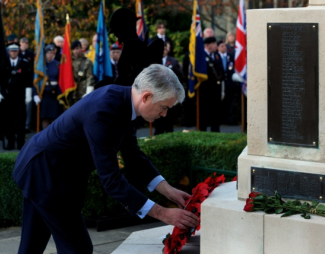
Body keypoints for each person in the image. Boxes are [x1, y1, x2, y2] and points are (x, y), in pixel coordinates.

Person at [12, 64, 199, 253]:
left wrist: (169, 192)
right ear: (147, 96)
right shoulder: (104, 112)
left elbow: (134, 156)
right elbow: (111, 180)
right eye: (164, 107)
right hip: (45, 173)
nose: (165, 114)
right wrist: (163, 213)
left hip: (46, 170)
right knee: (77, 248)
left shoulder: (125, 101)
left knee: (32, 246)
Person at [0, 44, 32, 150]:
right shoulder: (4, 63)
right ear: (8, 52)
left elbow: (28, 80)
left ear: (18, 52)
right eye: (11, 51)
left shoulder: (24, 63)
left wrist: (28, 94)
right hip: (8, 97)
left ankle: (21, 142)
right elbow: (0, 79)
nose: (13, 53)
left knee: (21, 121)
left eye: (15, 51)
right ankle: (10, 142)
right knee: (9, 121)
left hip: (20, 96)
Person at [154, 41, 184, 135]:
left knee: (169, 123)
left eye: (165, 48)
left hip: (170, 96)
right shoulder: (152, 61)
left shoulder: (174, 62)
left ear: (168, 49)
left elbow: (179, 78)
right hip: (157, 97)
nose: (163, 50)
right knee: (158, 123)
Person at [33, 44, 62, 130]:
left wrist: (61, 96)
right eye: (48, 52)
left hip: (54, 94)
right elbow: (35, 80)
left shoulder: (58, 65)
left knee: (54, 118)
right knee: (44, 118)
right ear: (45, 54)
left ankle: (53, 138)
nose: (50, 54)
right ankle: (44, 137)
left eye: (52, 52)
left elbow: (61, 81)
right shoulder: (40, 66)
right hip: (44, 94)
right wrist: (35, 94)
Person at [199, 37, 224, 132]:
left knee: (216, 113)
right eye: (213, 44)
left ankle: (216, 132)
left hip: (216, 89)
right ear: (207, 45)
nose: (215, 46)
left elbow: (221, 71)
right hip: (205, 90)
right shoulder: (201, 56)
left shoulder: (217, 56)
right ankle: (203, 132)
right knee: (204, 113)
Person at [217, 40, 239, 125]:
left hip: (230, 84)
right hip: (221, 84)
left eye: (225, 46)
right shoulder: (216, 56)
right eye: (222, 46)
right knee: (221, 103)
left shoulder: (230, 56)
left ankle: (230, 121)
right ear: (218, 47)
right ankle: (222, 120)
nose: (224, 47)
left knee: (231, 102)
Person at [69, 39, 94, 106]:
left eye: (77, 48)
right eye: (74, 49)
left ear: (81, 48)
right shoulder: (69, 61)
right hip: (72, 91)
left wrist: (88, 92)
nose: (75, 51)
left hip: (83, 90)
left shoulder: (87, 61)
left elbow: (90, 77)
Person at [18, 37, 35, 133]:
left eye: (26, 43)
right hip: (19, 83)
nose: (24, 44)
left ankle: (27, 125)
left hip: (28, 83)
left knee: (29, 104)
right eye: (22, 43)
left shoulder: (31, 54)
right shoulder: (16, 53)